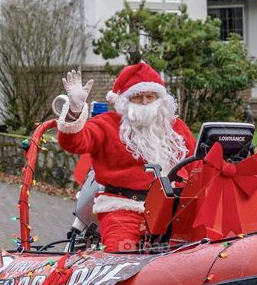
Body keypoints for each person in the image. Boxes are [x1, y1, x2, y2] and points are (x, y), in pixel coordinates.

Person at [55, 62, 195, 251]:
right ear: (125, 101)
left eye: (150, 96)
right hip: (122, 206)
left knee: (192, 251)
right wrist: (75, 110)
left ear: (160, 99)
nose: (145, 102)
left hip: (170, 208)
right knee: (121, 253)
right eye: (138, 97)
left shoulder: (176, 128)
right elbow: (75, 142)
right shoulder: (107, 124)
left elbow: (197, 164)